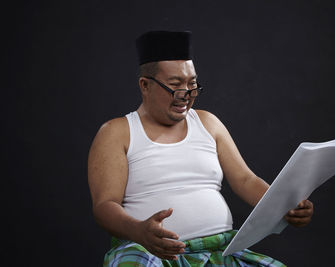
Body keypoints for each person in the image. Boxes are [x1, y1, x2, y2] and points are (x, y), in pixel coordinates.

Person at [88, 30, 314, 267]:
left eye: (192, 84)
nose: (186, 95)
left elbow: (245, 180)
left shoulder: (208, 123)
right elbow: (105, 205)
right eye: (175, 85)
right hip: (149, 252)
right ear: (145, 85)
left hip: (221, 251)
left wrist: (286, 205)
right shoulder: (117, 132)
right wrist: (138, 230)